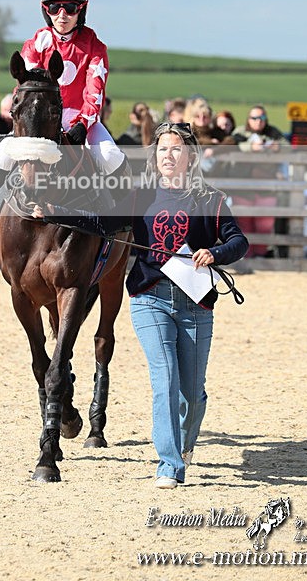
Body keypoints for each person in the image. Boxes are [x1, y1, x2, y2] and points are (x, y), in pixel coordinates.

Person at [33, 122, 248, 489]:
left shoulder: (211, 200)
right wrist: (57, 212)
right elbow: (102, 223)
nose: (168, 155)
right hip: (150, 298)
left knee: (192, 393)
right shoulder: (140, 195)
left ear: (190, 156)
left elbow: (239, 241)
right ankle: (169, 464)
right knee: (164, 379)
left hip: (196, 304)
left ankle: (182, 443)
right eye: (162, 149)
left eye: (176, 149)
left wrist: (214, 253)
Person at [0, 0, 126, 227]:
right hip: (40, 119)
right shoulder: (35, 43)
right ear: (46, 10)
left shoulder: (95, 47)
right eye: (54, 7)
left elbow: (95, 92)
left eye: (69, 7)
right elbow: (25, 89)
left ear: (81, 10)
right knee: (1, 155)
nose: (62, 15)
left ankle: (123, 217)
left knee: (111, 156)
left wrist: (83, 124)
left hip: (80, 119)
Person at [231, 105, 288, 258]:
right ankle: (246, 256)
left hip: (266, 186)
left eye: (261, 118)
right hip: (243, 186)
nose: (258, 121)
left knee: (265, 225)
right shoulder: (240, 132)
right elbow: (232, 145)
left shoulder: (272, 133)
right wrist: (250, 147)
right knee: (244, 224)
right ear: (248, 119)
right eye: (254, 118)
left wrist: (277, 148)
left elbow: (288, 147)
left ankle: (261, 256)